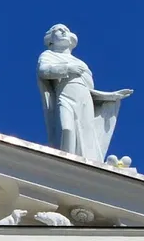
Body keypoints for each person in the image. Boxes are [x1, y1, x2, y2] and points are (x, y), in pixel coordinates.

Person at [38, 24, 133, 163]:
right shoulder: (48, 55)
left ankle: (84, 163)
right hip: (65, 95)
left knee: (86, 134)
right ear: (50, 39)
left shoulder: (80, 63)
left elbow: (89, 90)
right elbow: (43, 70)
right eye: (58, 30)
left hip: (84, 98)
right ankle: (64, 164)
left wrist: (111, 96)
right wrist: (68, 68)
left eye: (66, 30)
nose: (64, 31)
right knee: (67, 129)